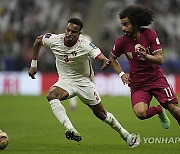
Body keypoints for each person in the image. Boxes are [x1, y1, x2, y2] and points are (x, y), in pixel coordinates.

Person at [28, 17, 140, 148]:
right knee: (52, 95)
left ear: (79, 34)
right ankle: (70, 129)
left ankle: (125, 134)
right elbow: (38, 40)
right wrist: (34, 64)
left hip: (84, 82)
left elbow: (100, 56)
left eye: (74, 32)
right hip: (65, 81)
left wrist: (105, 61)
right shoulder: (55, 40)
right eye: (68, 30)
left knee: (102, 115)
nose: (69, 34)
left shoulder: (85, 44)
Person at [104, 5, 180, 128]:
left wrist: (146, 56)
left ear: (135, 23)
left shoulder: (150, 34)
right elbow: (112, 58)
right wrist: (121, 74)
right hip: (138, 83)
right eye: (122, 24)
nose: (123, 28)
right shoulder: (121, 42)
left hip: (156, 79)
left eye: (126, 24)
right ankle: (159, 110)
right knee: (140, 113)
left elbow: (160, 59)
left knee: (176, 111)